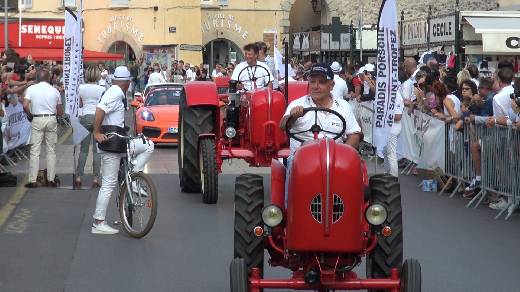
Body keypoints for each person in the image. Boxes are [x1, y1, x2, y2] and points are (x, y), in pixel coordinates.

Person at [280, 63, 361, 196]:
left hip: (336, 161)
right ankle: (291, 209)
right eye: (312, 82)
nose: (316, 86)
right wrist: (292, 117)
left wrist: (344, 153)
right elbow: (283, 126)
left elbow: (354, 134)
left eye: (321, 82)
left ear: (331, 86)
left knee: (352, 186)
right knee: (292, 176)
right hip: (302, 161)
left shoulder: (343, 106)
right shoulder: (297, 104)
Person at [91, 66, 154, 234]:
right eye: (129, 83)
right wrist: (96, 132)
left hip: (118, 142)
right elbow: (100, 110)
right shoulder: (116, 93)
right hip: (113, 144)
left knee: (146, 145)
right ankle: (98, 222)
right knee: (109, 183)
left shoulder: (114, 91)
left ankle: (132, 177)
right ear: (126, 82)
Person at [23, 68, 64, 188]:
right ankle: (51, 179)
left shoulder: (31, 89)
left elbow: (25, 105)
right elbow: (60, 111)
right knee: (51, 150)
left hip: (37, 118)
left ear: (37, 78)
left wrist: (30, 114)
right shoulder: (54, 90)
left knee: (35, 150)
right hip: (51, 118)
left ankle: (32, 180)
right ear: (48, 78)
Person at [75, 66, 105, 188]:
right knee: (97, 151)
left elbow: (81, 104)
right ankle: (95, 178)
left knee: (83, 150)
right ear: (98, 75)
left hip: (85, 117)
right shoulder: (102, 88)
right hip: (97, 117)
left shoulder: (80, 88)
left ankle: (78, 176)